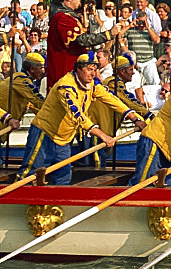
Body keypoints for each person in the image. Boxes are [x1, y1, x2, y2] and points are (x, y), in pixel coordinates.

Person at [19, 53, 145, 185]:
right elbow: (77, 115)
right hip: (45, 135)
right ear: (78, 69)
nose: (93, 74)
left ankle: (58, 204)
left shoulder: (92, 86)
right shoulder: (66, 86)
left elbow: (113, 100)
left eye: (95, 70)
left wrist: (135, 119)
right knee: (29, 175)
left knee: (63, 179)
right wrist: (103, 135)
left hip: (64, 140)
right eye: (89, 70)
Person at [47, 0, 126, 85]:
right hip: (65, 74)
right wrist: (109, 34)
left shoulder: (67, 16)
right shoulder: (63, 18)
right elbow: (81, 40)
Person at [88, 55, 152, 167]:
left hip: (102, 129)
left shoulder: (113, 82)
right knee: (96, 165)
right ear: (122, 71)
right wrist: (148, 115)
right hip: (96, 129)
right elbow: (128, 100)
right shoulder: (113, 84)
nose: (133, 73)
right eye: (130, 69)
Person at [0, 52, 45, 122]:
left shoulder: (18, 78)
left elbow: (31, 105)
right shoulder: (22, 80)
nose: (43, 71)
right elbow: (36, 99)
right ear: (32, 69)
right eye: (41, 68)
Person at [124, 6, 161, 87]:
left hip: (148, 61)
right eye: (140, 21)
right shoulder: (131, 30)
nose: (141, 24)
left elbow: (157, 40)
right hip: (135, 63)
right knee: (133, 85)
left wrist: (148, 27)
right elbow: (119, 36)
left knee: (155, 84)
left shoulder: (150, 31)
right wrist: (130, 25)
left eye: (143, 21)